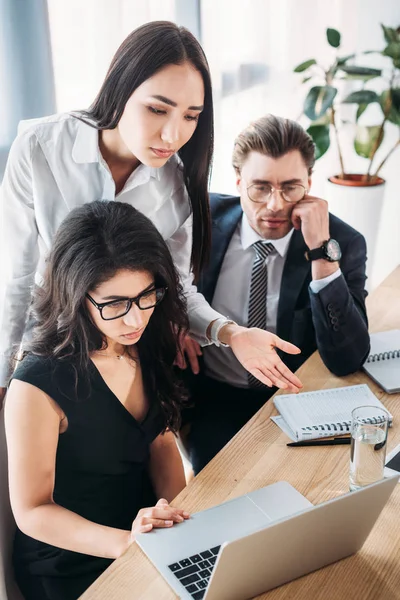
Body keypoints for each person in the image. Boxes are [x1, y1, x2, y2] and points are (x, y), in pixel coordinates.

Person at [0, 21, 302, 409]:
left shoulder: (176, 185)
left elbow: (176, 288)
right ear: (121, 89)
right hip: (49, 353)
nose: (171, 135)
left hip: (126, 361)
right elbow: (18, 278)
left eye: (191, 116)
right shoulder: (41, 147)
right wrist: (7, 372)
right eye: (157, 110)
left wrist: (231, 333)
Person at [5, 200, 193, 600]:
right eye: (114, 304)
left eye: (146, 295)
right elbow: (32, 512)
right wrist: (126, 544)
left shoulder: (147, 337)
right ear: (76, 295)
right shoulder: (37, 384)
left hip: (147, 538)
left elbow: (160, 442)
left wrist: (183, 524)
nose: (135, 319)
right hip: (73, 562)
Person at [187, 114, 370, 473]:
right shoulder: (198, 219)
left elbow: (347, 358)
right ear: (238, 182)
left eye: (291, 187)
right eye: (260, 187)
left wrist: (320, 252)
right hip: (211, 396)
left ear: (310, 185)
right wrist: (176, 322)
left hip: (297, 398)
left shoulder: (342, 243)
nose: (275, 204)